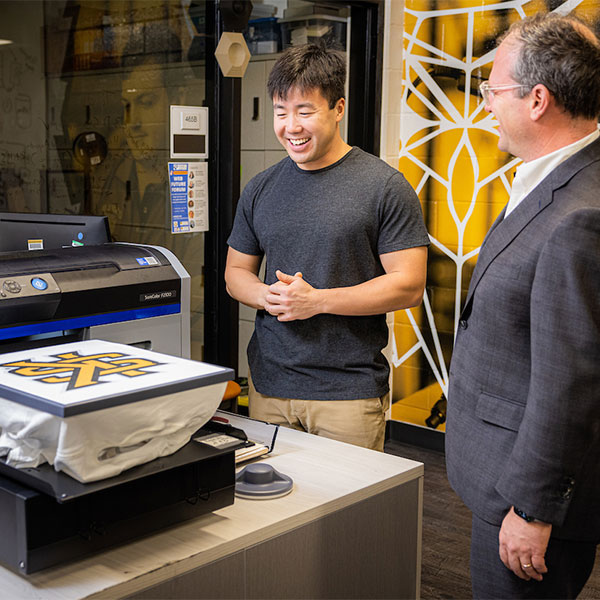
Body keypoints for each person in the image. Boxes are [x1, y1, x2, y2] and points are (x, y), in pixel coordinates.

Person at [445, 13, 600, 599]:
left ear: (537, 100)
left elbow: (574, 383)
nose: (484, 105)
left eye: (491, 90)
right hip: (500, 474)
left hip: (526, 498)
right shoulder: (551, 177)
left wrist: (533, 510)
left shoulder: (581, 213)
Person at [225, 43, 429, 452]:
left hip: (347, 394)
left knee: (350, 515)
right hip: (269, 387)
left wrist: (316, 302)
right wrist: (269, 297)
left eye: (305, 111)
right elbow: (235, 273)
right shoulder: (261, 188)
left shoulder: (384, 187)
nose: (291, 126)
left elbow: (409, 285)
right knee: (275, 509)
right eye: (281, 112)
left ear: (338, 108)